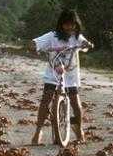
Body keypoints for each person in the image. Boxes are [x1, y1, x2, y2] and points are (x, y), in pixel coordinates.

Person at [30, 9, 94, 145]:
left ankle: (79, 128)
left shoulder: (76, 37)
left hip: (71, 75)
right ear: (61, 24)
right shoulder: (52, 36)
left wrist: (87, 44)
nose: (70, 27)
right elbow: (36, 42)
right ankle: (38, 131)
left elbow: (84, 44)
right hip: (53, 73)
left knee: (76, 102)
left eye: (73, 24)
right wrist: (34, 46)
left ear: (76, 25)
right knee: (46, 98)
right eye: (67, 24)